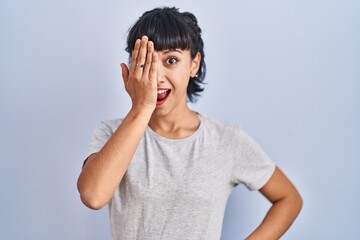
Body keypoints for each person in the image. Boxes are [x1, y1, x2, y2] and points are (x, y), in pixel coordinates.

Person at [77, 7, 302, 240]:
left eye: (171, 60)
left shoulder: (227, 139)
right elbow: (93, 196)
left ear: (194, 64)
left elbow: (289, 199)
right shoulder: (111, 133)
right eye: (145, 63)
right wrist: (141, 107)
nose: (156, 77)